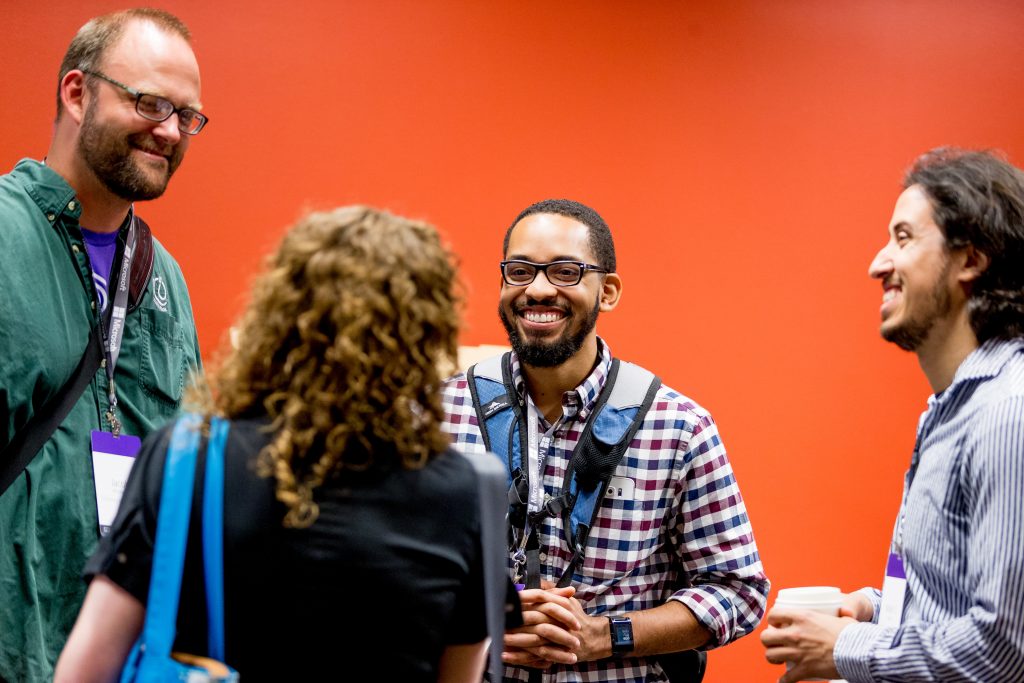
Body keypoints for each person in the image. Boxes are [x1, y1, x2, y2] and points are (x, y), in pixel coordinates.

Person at [56, 206, 508, 682]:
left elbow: (84, 669)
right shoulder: (459, 494)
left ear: (278, 318)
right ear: (426, 335)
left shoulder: (189, 458)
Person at [442, 199, 770, 682]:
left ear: (608, 291)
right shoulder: (436, 416)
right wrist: (483, 627)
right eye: (519, 271)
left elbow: (738, 591)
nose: (537, 289)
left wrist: (604, 634)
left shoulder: (678, 426)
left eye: (565, 272)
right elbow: (387, 578)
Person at [760, 148, 1024, 681]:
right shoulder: (950, 411)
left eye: (903, 238)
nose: (877, 264)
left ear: (970, 259)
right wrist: (875, 610)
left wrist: (847, 647)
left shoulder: (1006, 414)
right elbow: (954, 604)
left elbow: (1002, 649)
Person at [0, 9, 205, 681]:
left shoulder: (164, 277)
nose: (170, 131)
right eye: (149, 102)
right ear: (77, 92)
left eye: (187, 115)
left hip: (126, 658)